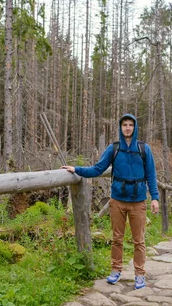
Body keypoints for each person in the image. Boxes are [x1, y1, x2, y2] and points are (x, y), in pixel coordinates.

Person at [61, 114, 159, 290]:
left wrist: (155, 198)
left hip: (138, 201)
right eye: (124, 125)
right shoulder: (113, 149)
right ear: (120, 128)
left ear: (135, 127)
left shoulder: (144, 149)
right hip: (117, 200)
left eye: (130, 125)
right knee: (117, 238)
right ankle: (115, 270)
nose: (127, 128)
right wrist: (77, 169)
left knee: (139, 240)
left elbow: (151, 174)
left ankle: (139, 274)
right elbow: (98, 169)